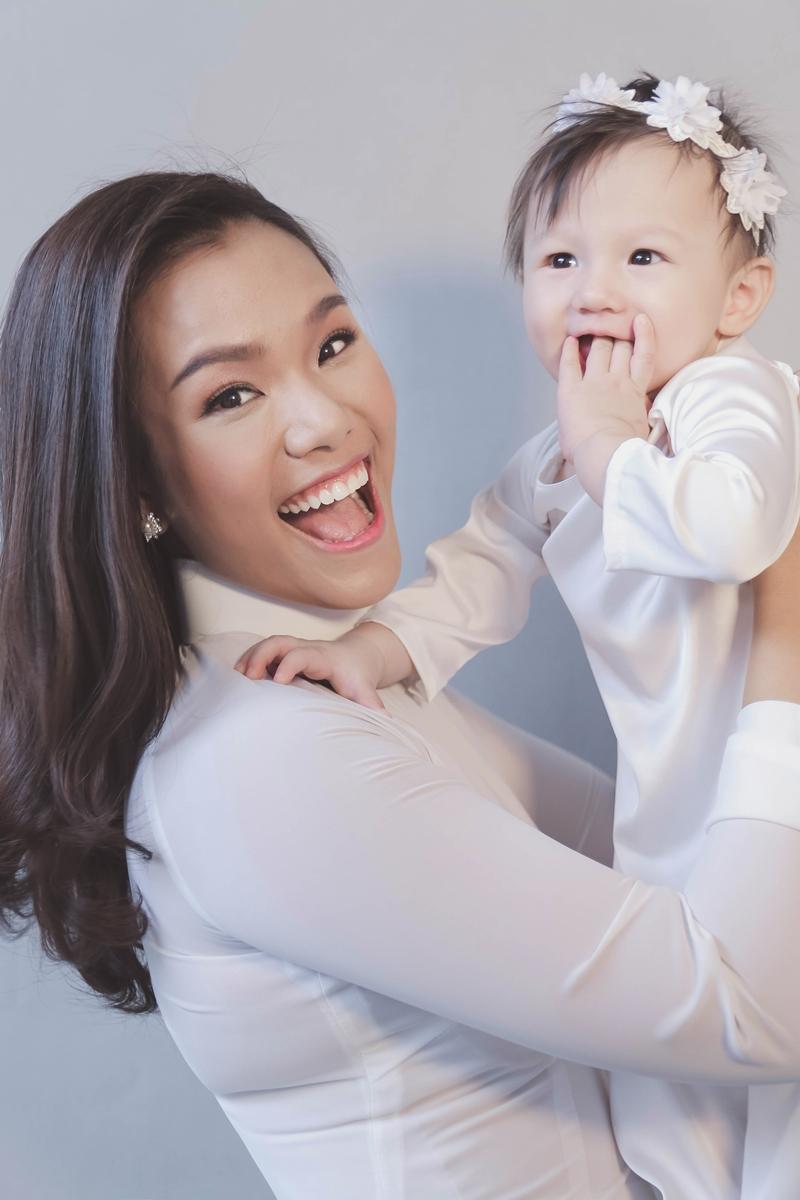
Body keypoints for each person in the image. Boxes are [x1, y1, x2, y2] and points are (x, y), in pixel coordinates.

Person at [2, 173, 800, 1200]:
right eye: (231, 396)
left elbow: (684, 874)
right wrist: (782, 601)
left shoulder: (327, 689)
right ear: (137, 482)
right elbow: (756, 1006)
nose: (323, 420)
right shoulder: (260, 758)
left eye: (333, 343)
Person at [239, 74, 800, 1195]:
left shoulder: (731, 398)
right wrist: (366, 653)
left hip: (769, 773)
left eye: (643, 258)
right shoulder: (551, 463)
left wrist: (606, 445)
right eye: (560, 260)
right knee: (680, 1083)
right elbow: (471, 578)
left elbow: (736, 529)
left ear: (737, 299)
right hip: (673, 804)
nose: (595, 291)